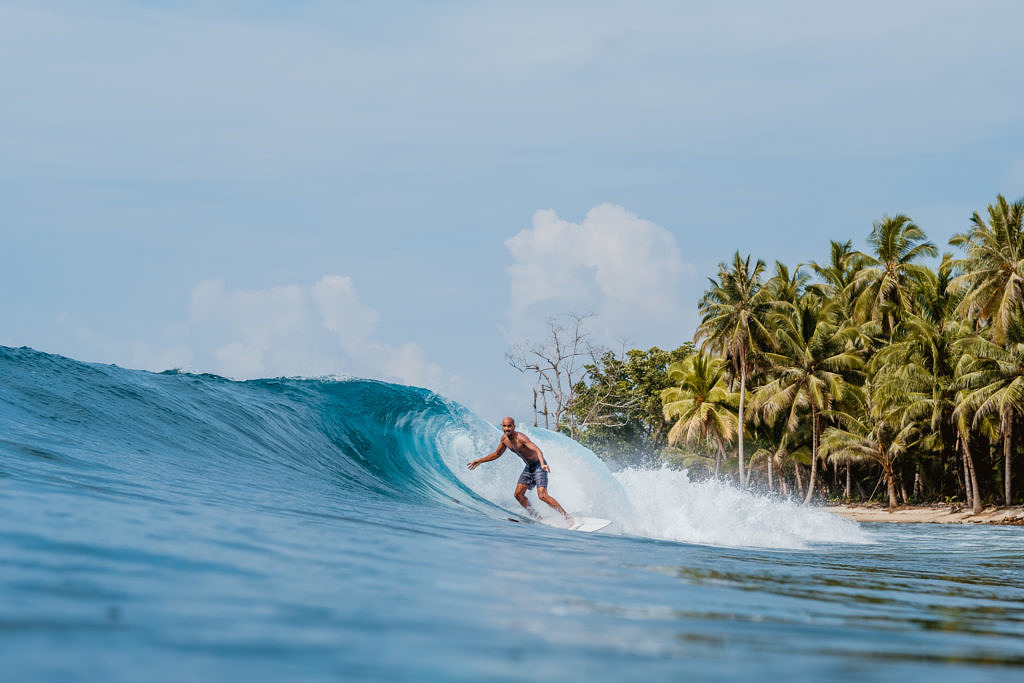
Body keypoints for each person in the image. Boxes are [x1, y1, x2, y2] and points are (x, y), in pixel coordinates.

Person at [468, 417, 572, 524]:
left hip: (539, 466)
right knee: (518, 495)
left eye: (509, 426)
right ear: (501, 426)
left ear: (514, 427)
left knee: (542, 496)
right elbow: (496, 454)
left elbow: (537, 450)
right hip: (529, 467)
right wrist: (480, 461)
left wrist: (543, 464)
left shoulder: (521, 438)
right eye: (504, 426)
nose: (507, 428)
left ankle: (567, 517)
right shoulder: (504, 440)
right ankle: (537, 517)